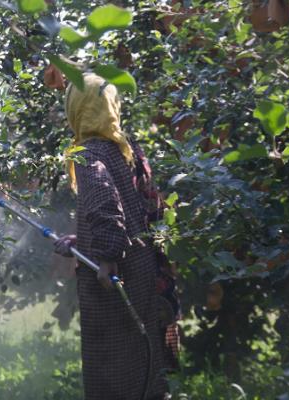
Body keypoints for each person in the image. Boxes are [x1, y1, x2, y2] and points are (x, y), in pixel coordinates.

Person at [53, 73, 179, 400]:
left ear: (77, 108)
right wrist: (82, 242)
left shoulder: (88, 154)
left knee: (115, 373)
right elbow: (134, 211)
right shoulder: (125, 149)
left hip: (116, 280)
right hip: (144, 273)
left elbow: (105, 201)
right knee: (146, 366)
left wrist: (106, 257)